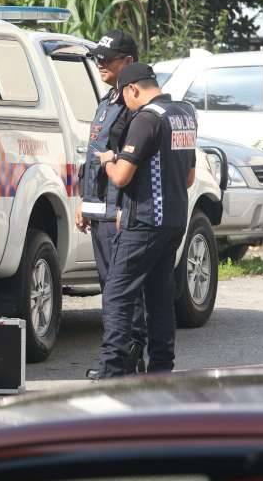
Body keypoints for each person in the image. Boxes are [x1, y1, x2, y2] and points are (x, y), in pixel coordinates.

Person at [94, 62, 198, 378]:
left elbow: (123, 177)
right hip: (175, 220)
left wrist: (108, 161)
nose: (125, 106)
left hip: (145, 221)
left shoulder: (146, 119)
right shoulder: (184, 114)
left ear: (132, 89)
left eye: (124, 98)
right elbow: (190, 176)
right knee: (159, 295)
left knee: (117, 293)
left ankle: (112, 370)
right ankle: (161, 369)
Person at [75, 30, 148, 379]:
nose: (101, 64)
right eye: (98, 58)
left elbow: (130, 165)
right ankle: (122, 357)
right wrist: (83, 200)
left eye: (109, 59)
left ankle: (126, 358)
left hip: (119, 212)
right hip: (99, 209)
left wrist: (122, 208)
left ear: (129, 62)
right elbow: (94, 158)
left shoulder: (135, 109)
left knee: (123, 291)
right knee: (111, 289)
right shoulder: (107, 102)